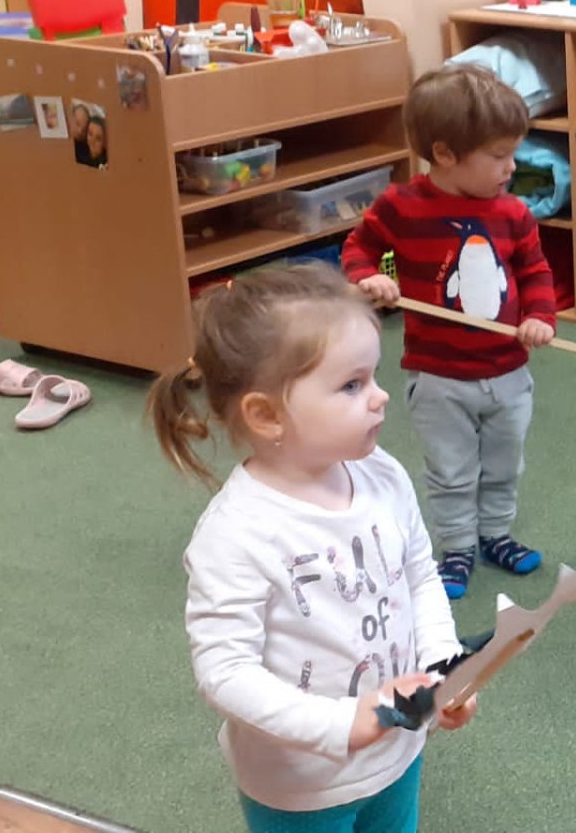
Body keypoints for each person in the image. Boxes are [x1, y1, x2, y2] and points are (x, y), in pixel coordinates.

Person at [147, 263, 477, 832]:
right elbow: (225, 672)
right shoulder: (237, 534)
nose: (381, 397)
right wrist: (344, 724)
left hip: (398, 753)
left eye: (373, 376)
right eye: (352, 385)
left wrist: (442, 664)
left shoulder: (382, 475)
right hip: (298, 787)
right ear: (266, 415)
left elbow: (419, 577)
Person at [343, 65, 556, 599]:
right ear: (444, 154)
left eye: (513, 153)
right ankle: (458, 546)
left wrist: (539, 316)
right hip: (438, 376)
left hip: (508, 373)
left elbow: (535, 273)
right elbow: (359, 248)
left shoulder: (514, 214)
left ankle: (496, 535)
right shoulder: (401, 207)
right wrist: (369, 277)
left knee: (504, 463)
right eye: (499, 155)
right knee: (452, 469)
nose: (512, 166)